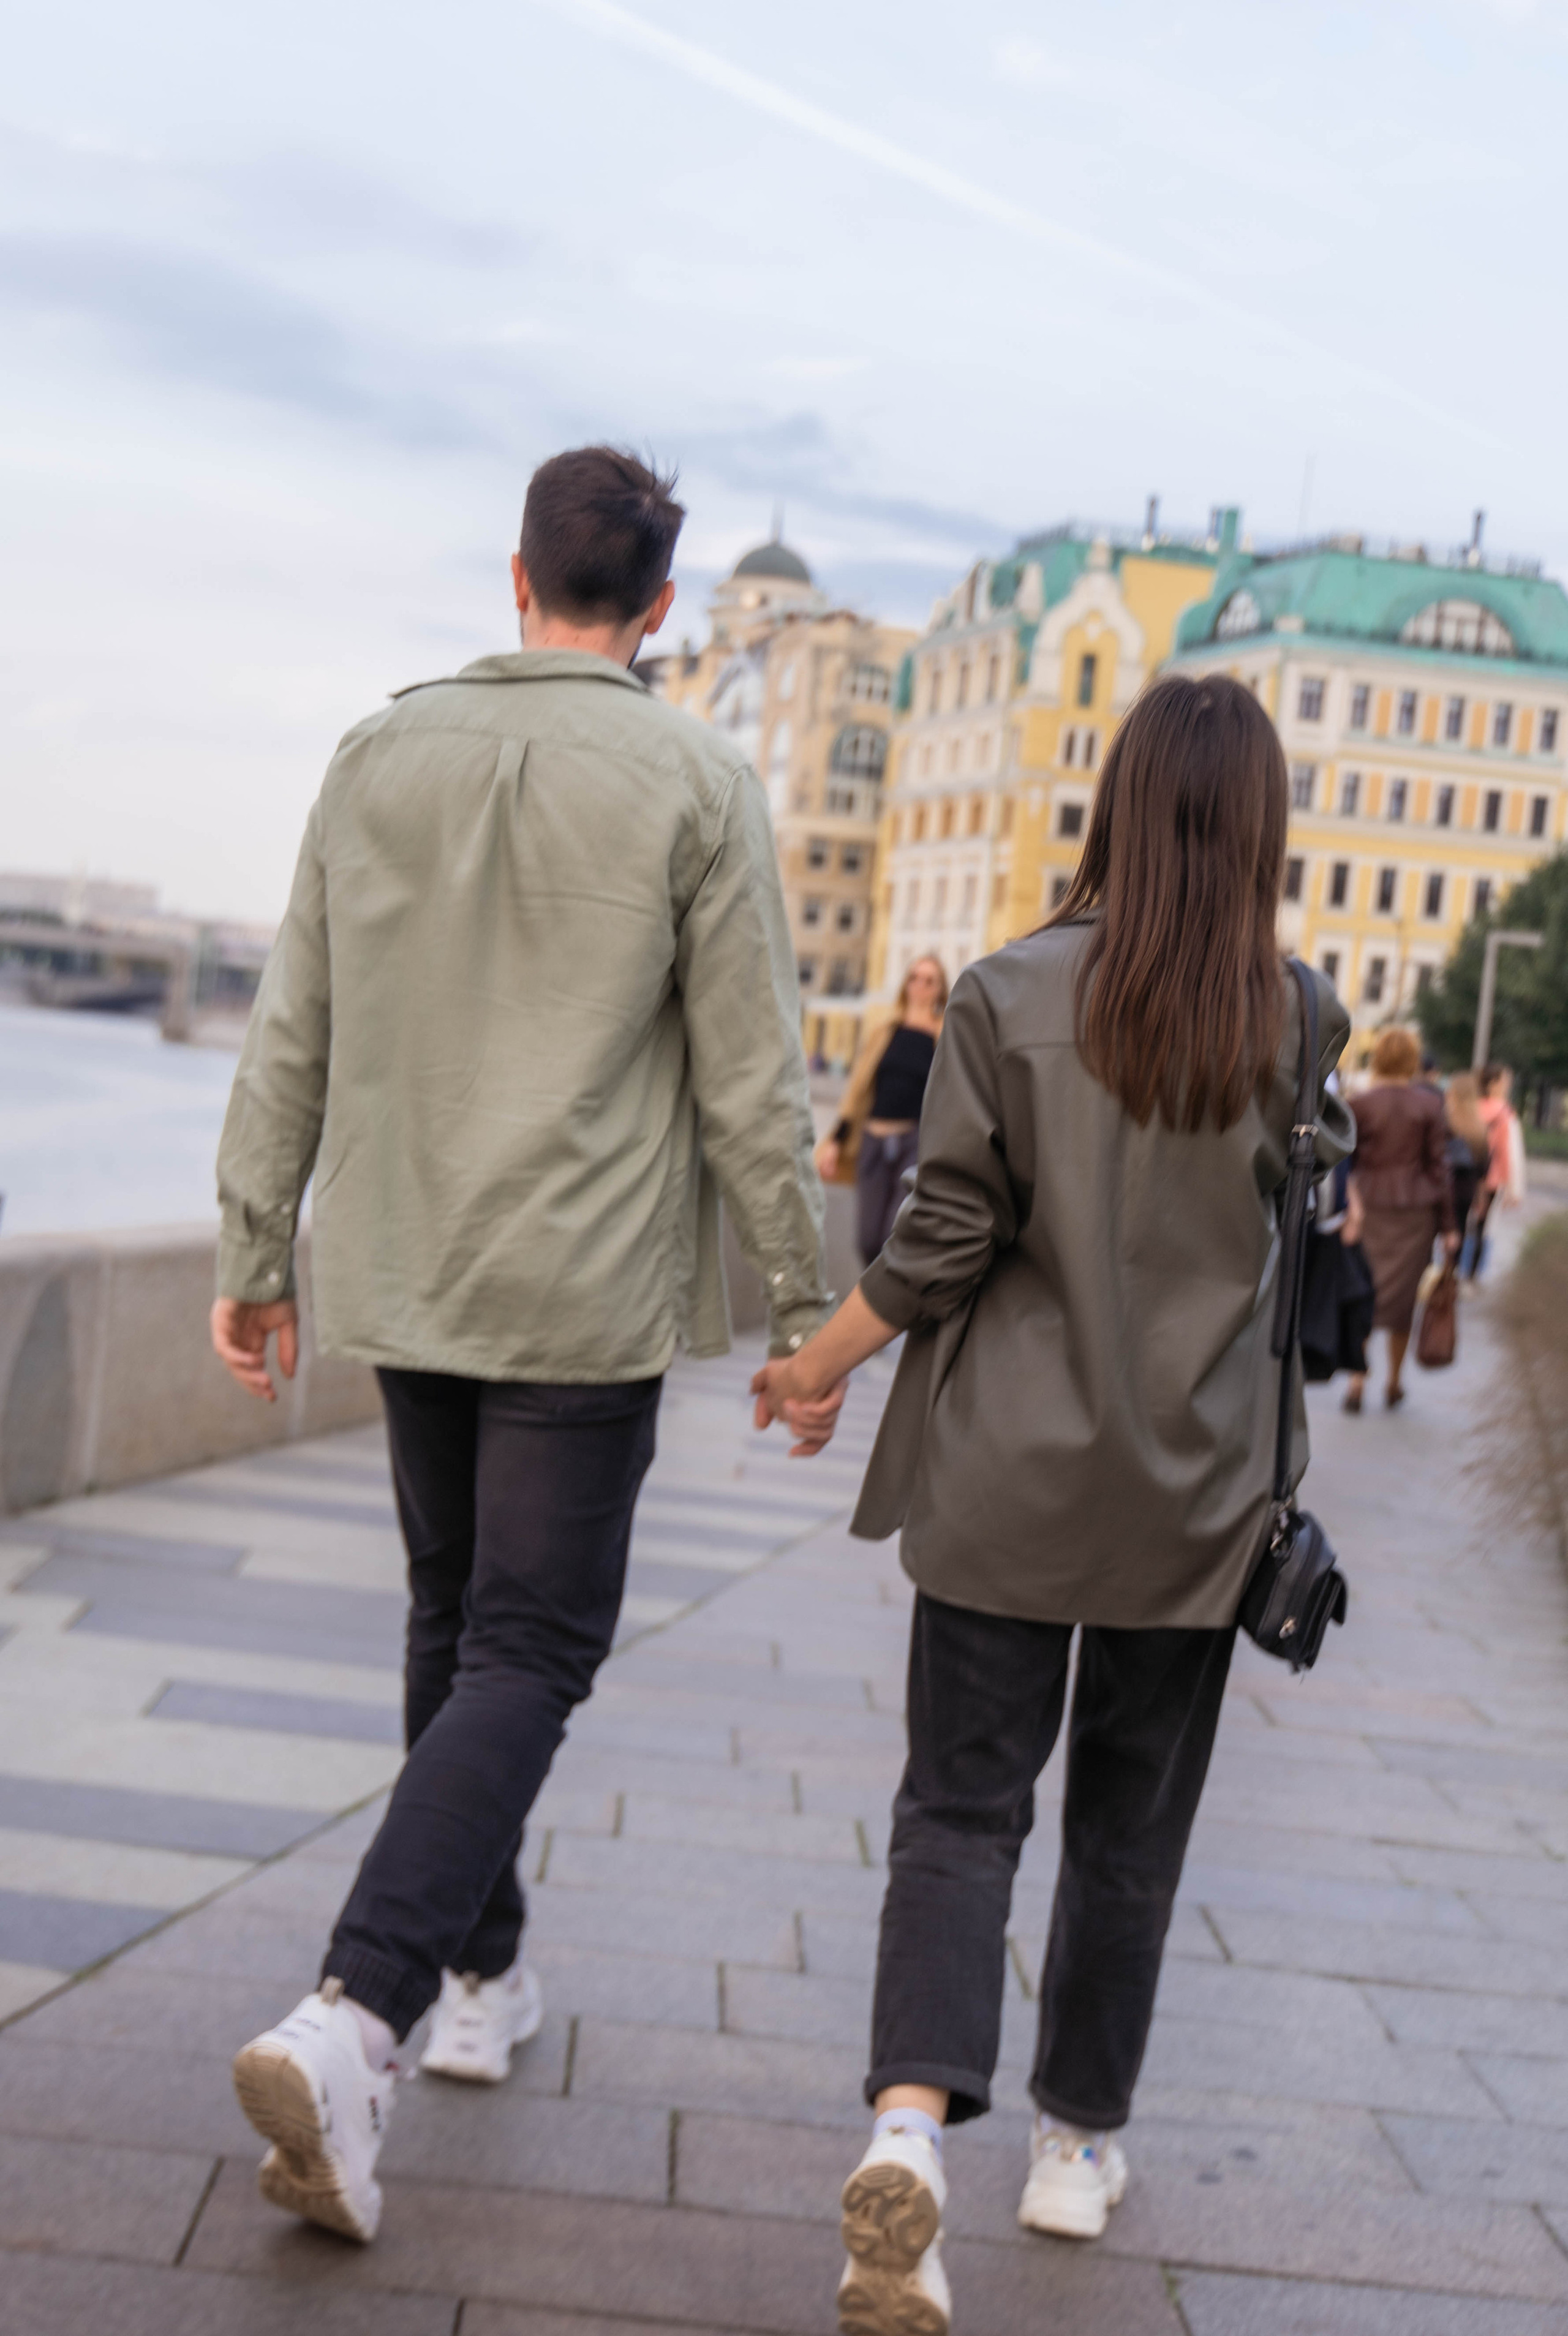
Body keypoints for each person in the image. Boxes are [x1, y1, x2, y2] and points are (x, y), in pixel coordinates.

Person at [210, 446, 834, 2245]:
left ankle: (478, 1974)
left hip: (410, 1265)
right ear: (654, 609)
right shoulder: (698, 777)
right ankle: (358, 2009)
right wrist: (803, 1318)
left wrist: (257, 1242)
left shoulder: (373, 751)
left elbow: (292, 1022)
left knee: (451, 1618)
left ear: (515, 577)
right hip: (577, 1283)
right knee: (529, 1645)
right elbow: (751, 1084)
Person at [754, 672, 1351, 2336]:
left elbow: (941, 1244)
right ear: (1262, 827)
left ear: (1115, 801)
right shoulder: (1296, 1013)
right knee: (1129, 1835)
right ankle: (1077, 2147)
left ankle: (908, 2128)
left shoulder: (1009, 994)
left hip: (1008, 1483)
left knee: (960, 1807)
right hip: (1195, 1500)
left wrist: (816, 1362)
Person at [1341, 1028, 1456, 1414]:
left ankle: (1357, 1382)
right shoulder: (1429, 1107)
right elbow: (1440, 1169)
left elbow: (1346, 1164)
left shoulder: (1359, 1104)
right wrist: (1450, 1227)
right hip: (1414, 1216)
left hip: (1369, 1209)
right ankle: (1393, 1382)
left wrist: (1347, 1210)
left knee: (1365, 1294)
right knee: (1402, 1303)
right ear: (1412, 1061)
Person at [816, 956, 948, 1263]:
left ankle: (884, 1308)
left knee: (895, 1234)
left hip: (913, 1145)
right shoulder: (885, 1031)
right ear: (906, 984)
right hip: (873, 1141)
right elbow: (858, 1088)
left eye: (930, 980)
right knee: (867, 1239)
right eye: (915, 978)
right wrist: (836, 1141)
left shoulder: (944, 1036)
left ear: (940, 989)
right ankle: (872, 1299)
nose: (920, 986)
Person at [1464, 1061, 1526, 1279]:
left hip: (1464, 1175)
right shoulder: (1504, 1113)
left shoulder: (1470, 1108)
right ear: (1493, 1084)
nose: (1508, 1084)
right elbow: (1506, 1153)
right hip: (1490, 1179)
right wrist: (1512, 1188)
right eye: (1505, 1080)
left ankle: (1451, 1272)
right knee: (1482, 1226)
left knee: (1463, 1222)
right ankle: (1471, 1274)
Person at [1442, 1070, 1491, 1256]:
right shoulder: (1480, 1128)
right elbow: (1483, 1169)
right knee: (1460, 1232)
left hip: (1443, 1187)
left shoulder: (1445, 1122)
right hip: (1466, 1190)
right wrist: (1481, 1198)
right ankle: (1450, 1274)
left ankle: (1431, 1275)